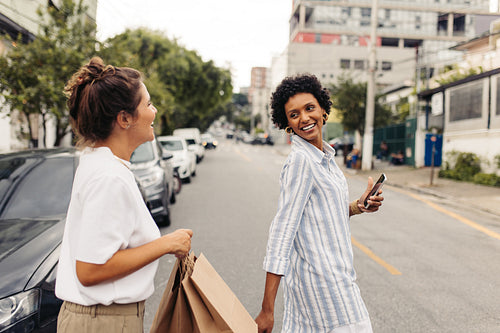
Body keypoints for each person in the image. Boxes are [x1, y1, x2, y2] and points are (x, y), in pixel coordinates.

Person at [55, 57, 193, 333]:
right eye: (148, 104)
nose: (154, 111)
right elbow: (90, 270)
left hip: (100, 319)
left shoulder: (102, 163)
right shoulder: (109, 176)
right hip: (102, 321)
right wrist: (168, 244)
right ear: (124, 118)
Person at [255, 74, 384, 333]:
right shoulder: (301, 162)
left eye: (309, 108)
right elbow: (282, 231)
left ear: (323, 110)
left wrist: (358, 205)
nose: (304, 118)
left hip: (325, 282)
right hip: (328, 288)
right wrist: (267, 310)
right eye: (294, 114)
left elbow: (320, 214)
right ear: (287, 123)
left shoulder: (324, 158)